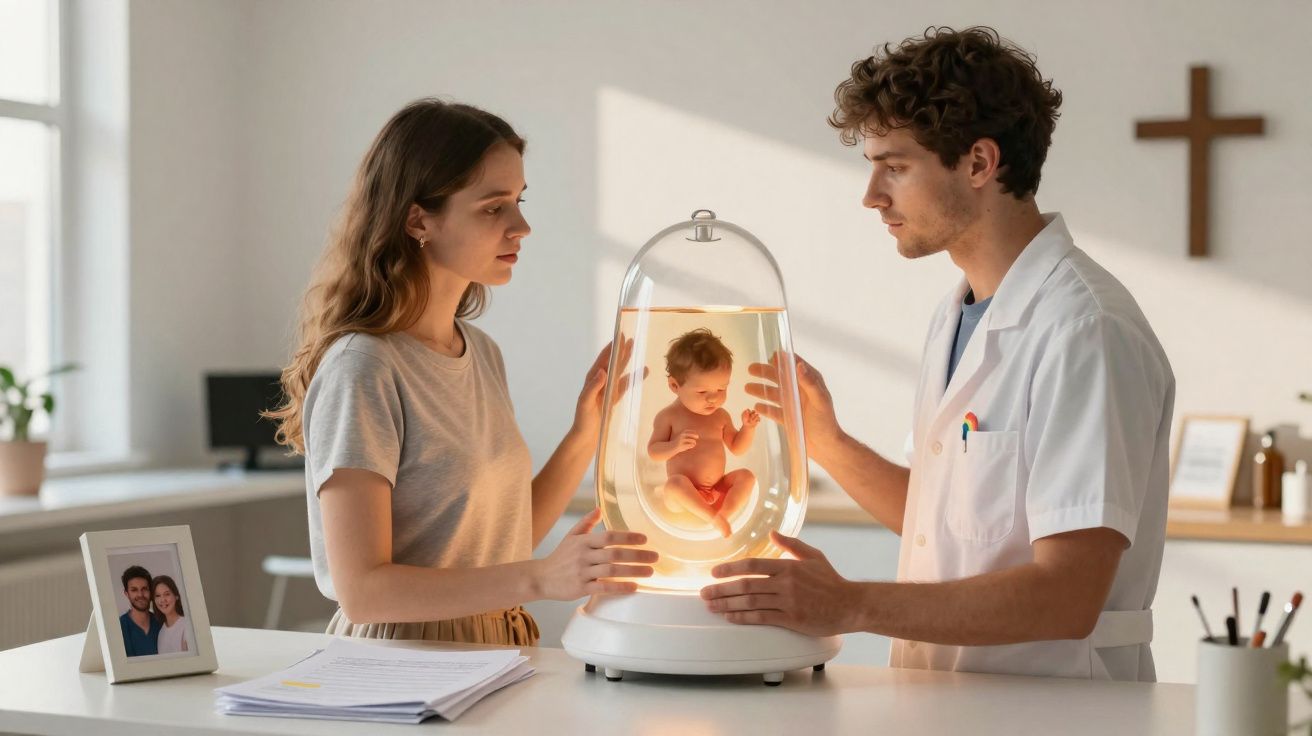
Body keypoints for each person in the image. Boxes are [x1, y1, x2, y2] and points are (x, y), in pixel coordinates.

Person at [701, 26, 1175, 682]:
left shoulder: (1084, 330)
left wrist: (848, 603)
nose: (871, 196)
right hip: (942, 701)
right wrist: (826, 441)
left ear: (979, 163)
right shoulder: (960, 314)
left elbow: (1068, 595)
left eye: (894, 166)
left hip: (1054, 712)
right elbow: (944, 527)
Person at [268, 98, 656, 646]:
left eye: (519, 201)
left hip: (499, 643)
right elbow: (363, 590)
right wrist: (543, 577)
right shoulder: (364, 368)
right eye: (494, 208)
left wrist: (585, 433)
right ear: (418, 219)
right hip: (403, 658)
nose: (521, 226)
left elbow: (502, 542)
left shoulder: (480, 353)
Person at [647, 329, 760, 537]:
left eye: (721, 390)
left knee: (746, 477)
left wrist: (748, 428)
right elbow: (654, 451)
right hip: (682, 500)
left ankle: (724, 515)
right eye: (702, 392)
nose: (713, 399)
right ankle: (712, 517)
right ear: (674, 385)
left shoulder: (721, 416)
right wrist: (675, 446)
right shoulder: (669, 416)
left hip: (716, 489)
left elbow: (737, 447)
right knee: (674, 484)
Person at [118, 565, 161, 657]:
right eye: (134, 590)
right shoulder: (119, 627)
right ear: (127, 594)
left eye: (144, 589)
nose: (140, 594)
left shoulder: (161, 623)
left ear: (151, 591)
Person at [152, 575, 189, 654]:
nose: (162, 600)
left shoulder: (187, 626)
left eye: (167, 594)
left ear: (176, 596)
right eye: (158, 596)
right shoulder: (161, 633)